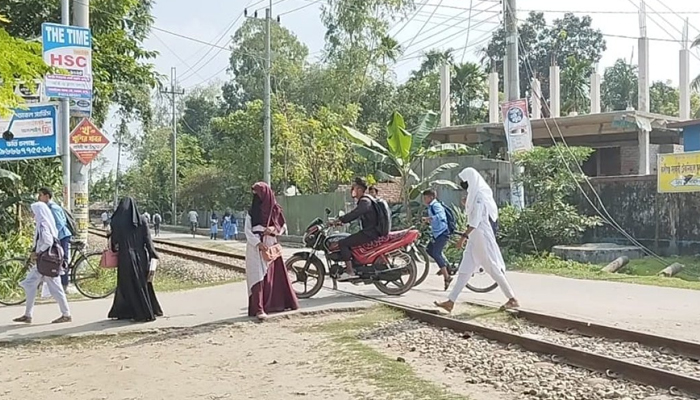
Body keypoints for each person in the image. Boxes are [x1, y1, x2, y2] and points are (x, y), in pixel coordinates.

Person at [434, 168, 519, 312]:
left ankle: (512, 299)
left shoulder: (479, 195)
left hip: (481, 236)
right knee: (465, 270)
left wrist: (463, 237)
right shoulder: (474, 195)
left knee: (491, 268)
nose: (462, 184)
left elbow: (475, 220)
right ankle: (451, 301)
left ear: (470, 180)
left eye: (464, 181)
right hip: (475, 237)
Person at [245, 182, 299, 320]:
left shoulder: (276, 210)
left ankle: (275, 305)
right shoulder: (252, 211)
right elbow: (247, 230)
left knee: (274, 277)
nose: (256, 197)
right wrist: (257, 243)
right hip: (255, 248)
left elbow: (283, 226)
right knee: (257, 278)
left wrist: (273, 230)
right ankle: (259, 309)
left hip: (271, 247)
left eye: (259, 194)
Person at [13, 202, 72, 324]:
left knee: (56, 289)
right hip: (43, 262)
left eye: (34, 212)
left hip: (46, 262)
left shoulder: (43, 225)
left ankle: (66, 314)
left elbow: (48, 242)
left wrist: (38, 253)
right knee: (30, 284)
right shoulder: (45, 223)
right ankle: (27, 314)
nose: (32, 214)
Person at [108, 197, 163, 322]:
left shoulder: (116, 221)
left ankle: (126, 311)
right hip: (141, 256)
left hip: (125, 257)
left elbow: (114, 244)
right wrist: (153, 255)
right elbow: (148, 241)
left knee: (127, 285)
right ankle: (147, 311)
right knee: (142, 284)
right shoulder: (142, 220)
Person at [334, 177, 380, 281]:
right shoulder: (364, 201)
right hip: (369, 231)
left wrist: (342, 220)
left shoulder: (365, 201)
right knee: (348, 239)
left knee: (343, 243)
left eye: (353, 188)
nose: (352, 191)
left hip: (370, 233)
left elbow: (356, 213)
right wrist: (342, 221)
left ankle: (350, 271)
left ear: (359, 190)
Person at [37, 187, 72, 292]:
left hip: (62, 236)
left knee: (62, 259)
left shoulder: (53, 208)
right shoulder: (46, 207)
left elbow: (60, 223)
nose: (39, 198)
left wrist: (52, 234)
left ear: (47, 196)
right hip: (56, 237)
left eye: (40, 195)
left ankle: (64, 284)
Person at [422, 189, 452, 290]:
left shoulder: (436, 205)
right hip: (437, 233)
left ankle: (447, 277)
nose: (424, 200)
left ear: (431, 197)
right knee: (429, 249)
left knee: (436, 253)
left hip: (442, 232)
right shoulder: (431, 206)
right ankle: (446, 267)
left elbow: (440, 216)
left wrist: (429, 219)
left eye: (425, 198)